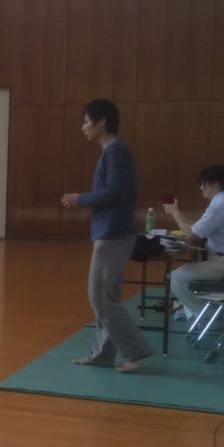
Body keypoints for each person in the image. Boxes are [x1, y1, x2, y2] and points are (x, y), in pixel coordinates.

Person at [60, 98, 154, 372]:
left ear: (102, 122)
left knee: (99, 297)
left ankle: (136, 351)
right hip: (111, 232)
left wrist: (79, 199)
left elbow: (115, 192)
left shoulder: (115, 152)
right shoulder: (111, 152)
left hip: (113, 233)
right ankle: (102, 355)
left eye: (87, 121)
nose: (83, 127)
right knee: (106, 297)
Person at [162, 165, 224, 322]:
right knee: (181, 277)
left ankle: (207, 316)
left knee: (175, 279)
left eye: (204, 184)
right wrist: (179, 213)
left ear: (215, 184)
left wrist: (175, 213)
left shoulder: (220, 205)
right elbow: (198, 228)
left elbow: (191, 235)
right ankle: (196, 311)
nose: (201, 188)